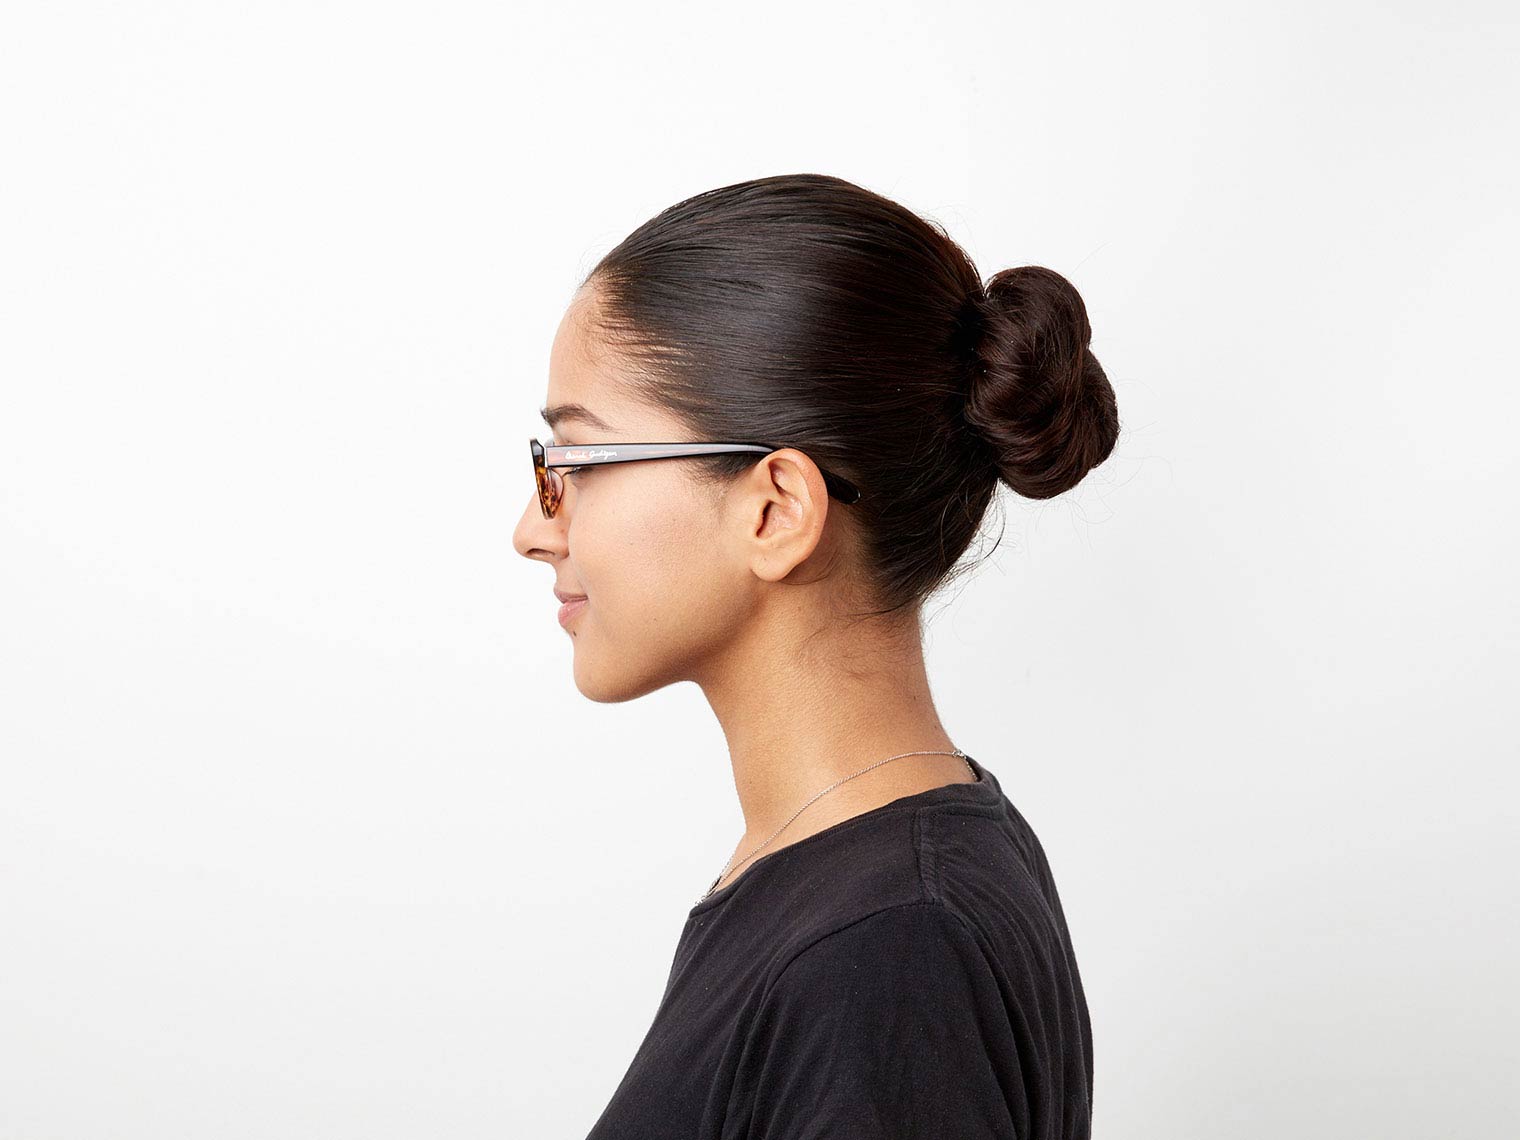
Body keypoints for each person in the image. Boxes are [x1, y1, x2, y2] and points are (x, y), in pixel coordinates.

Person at [513, 173, 1118, 1139]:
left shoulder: (885, 950)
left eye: (575, 465)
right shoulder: (874, 882)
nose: (532, 531)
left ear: (776, 510)